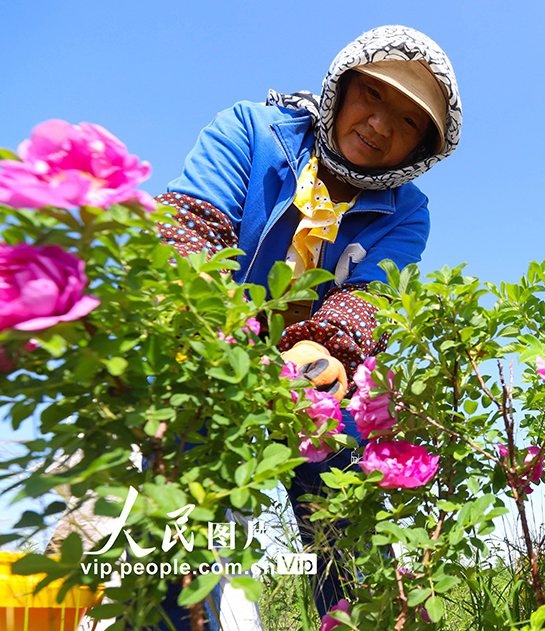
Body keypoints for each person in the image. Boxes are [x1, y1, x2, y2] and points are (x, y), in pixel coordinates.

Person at [153, 25, 461, 629]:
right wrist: (225, 352)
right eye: (372, 96)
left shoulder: (409, 211)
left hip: (311, 377)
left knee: (348, 514)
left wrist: (316, 354)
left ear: (422, 147)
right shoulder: (250, 130)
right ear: (341, 87)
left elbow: (367, 304)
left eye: (407, 120)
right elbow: (188, 233)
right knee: (180, 539)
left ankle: (361, 616)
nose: (379, 124)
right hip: (209, 348)